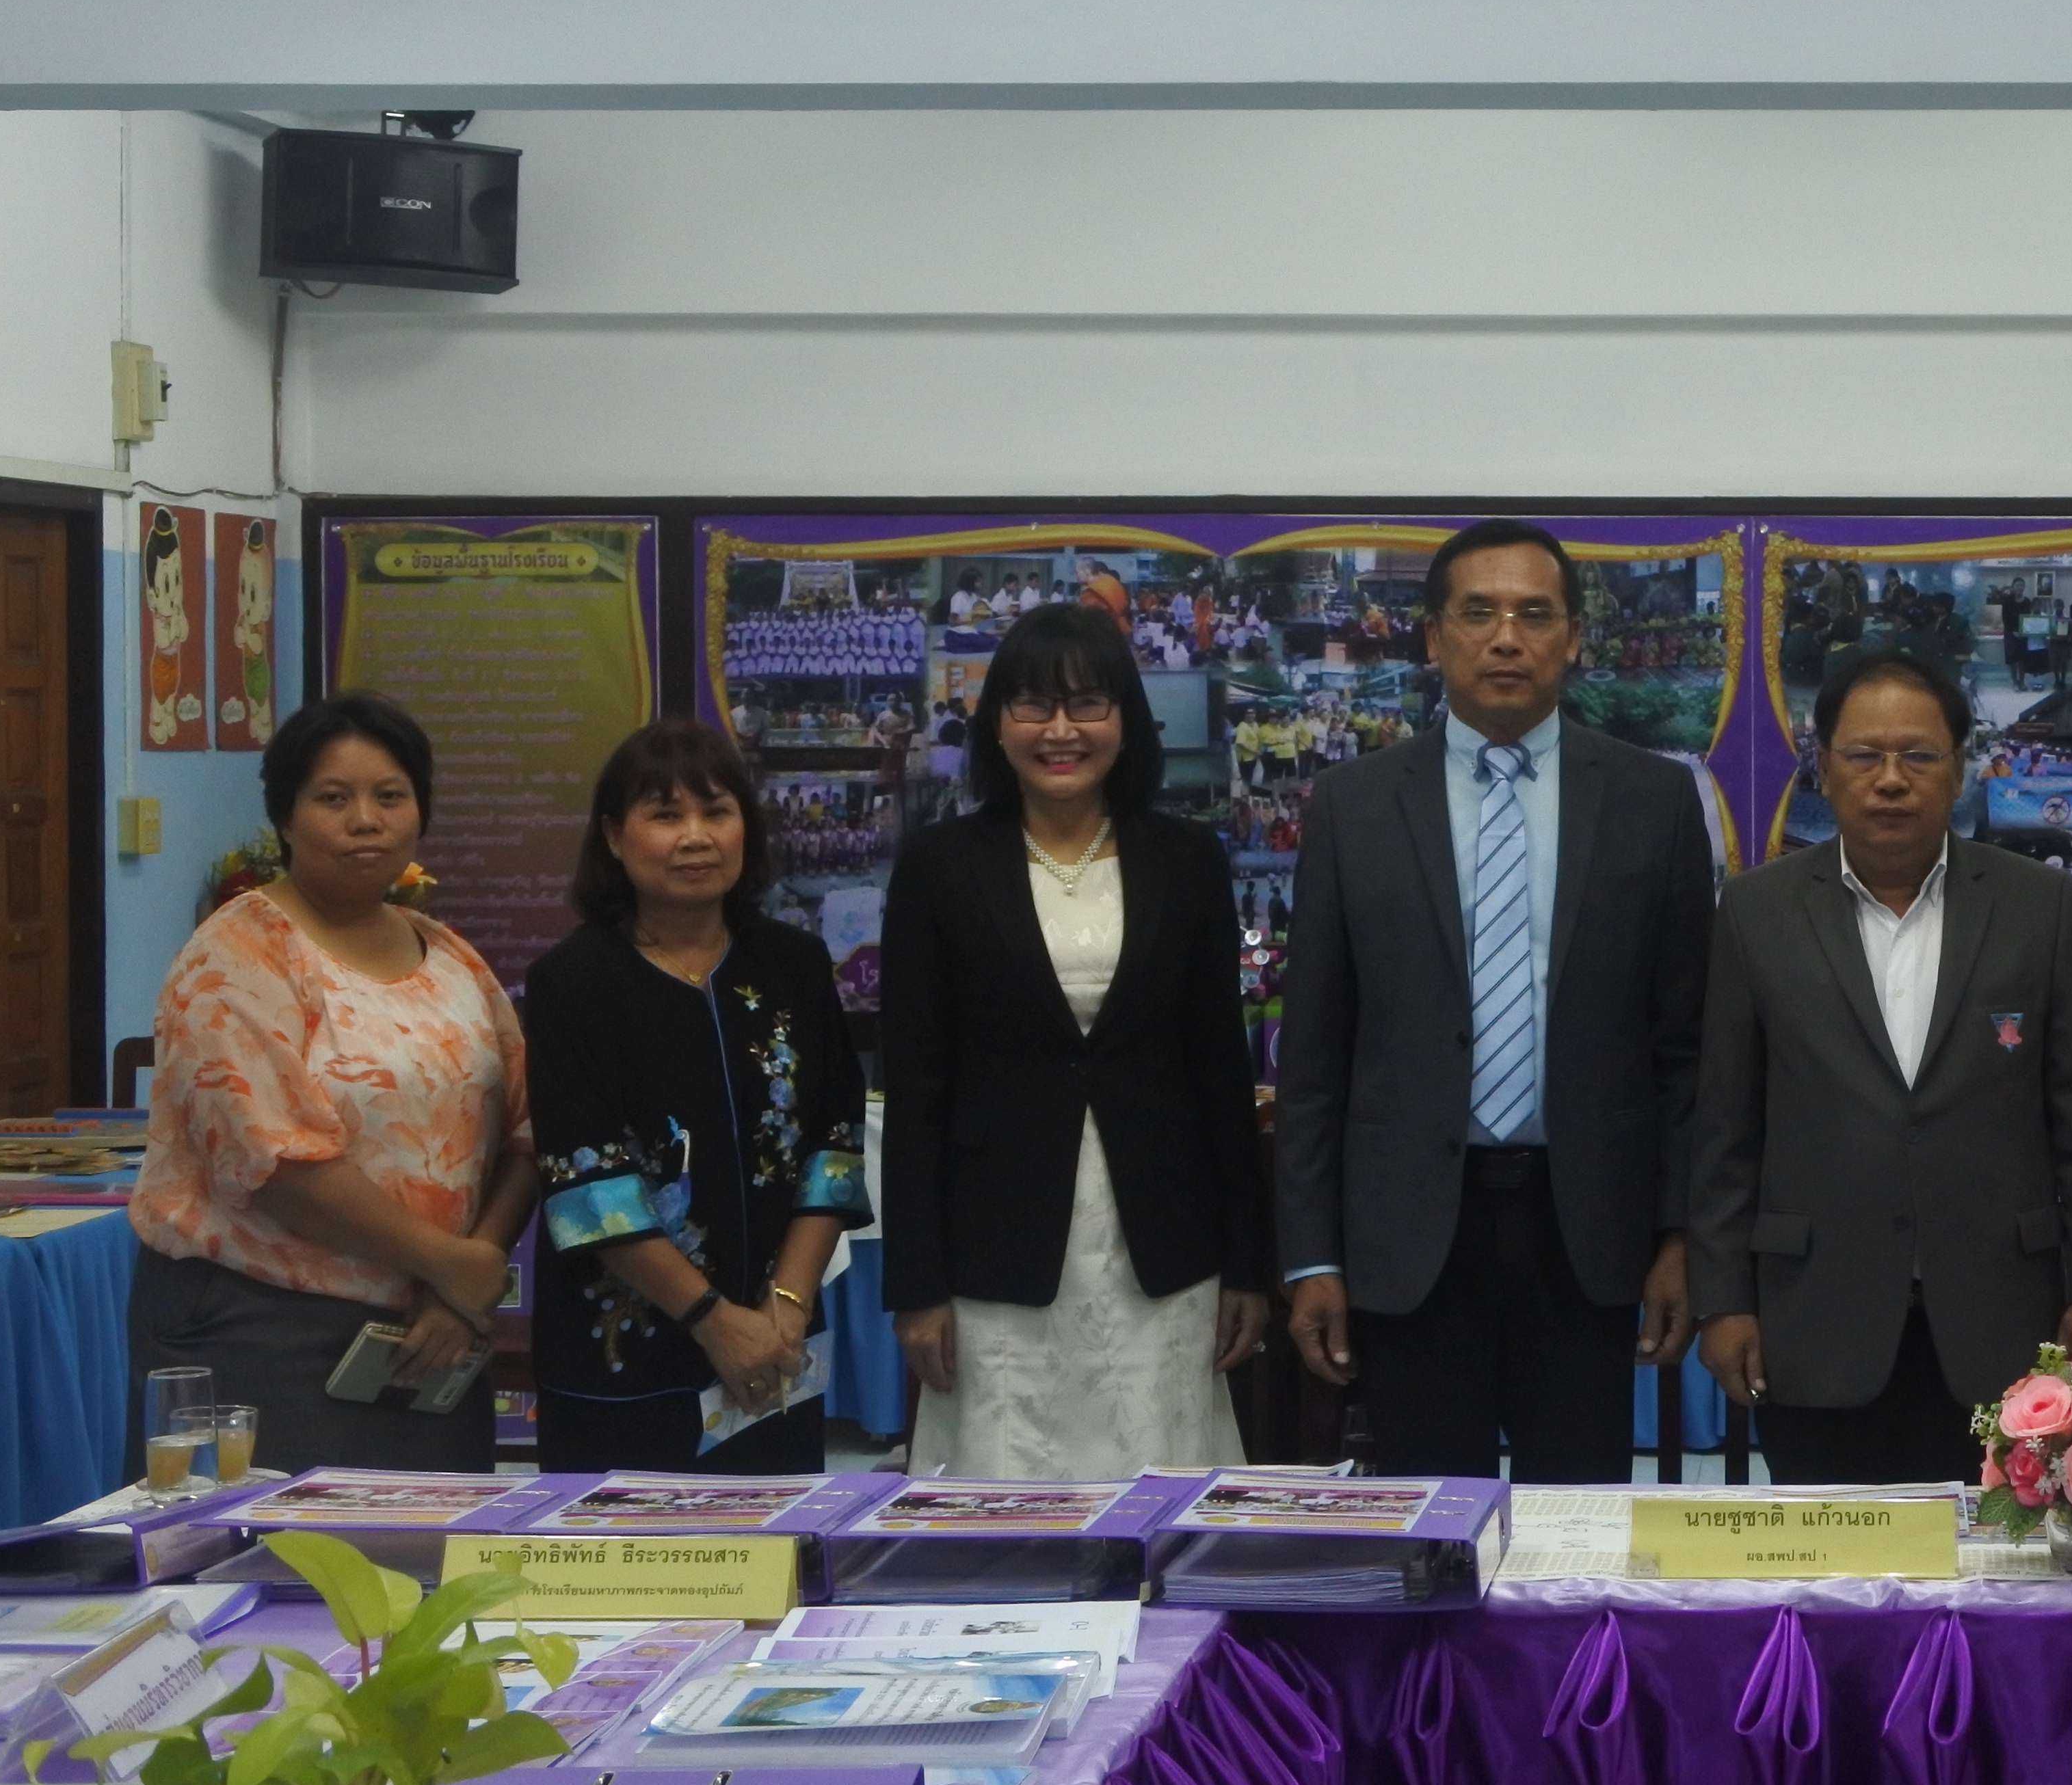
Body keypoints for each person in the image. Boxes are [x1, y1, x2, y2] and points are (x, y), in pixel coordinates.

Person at [1275, 520, 1715, 1480]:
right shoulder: (1355, 805)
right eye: (1479, 614)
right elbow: (1314, 1058)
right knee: (1428, 1530)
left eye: (1534, 615)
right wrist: (1312, 1256)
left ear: (1573, 638)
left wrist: (1679, 1236)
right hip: (1409, 1235)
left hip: (1588, 1233)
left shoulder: (1652, 802)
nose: (1507, 638)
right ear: (1434, 638)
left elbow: (1684, 1049)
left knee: (1583, 1525)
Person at [1692, 648, 2072, 1484]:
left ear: (1960, 769)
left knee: (1998, 1558)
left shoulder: (2036, 906)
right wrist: (1721, 1299)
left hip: (2005, 1324)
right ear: (1823, 766)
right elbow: (1726, 1127)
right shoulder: (1757, 912)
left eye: (1919, 755)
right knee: (1829, 1557)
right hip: (1813, 1316)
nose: (1891, 780)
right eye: (1865, 755)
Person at [883, 604, 1269, 1478]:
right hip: (996, 1249)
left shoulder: (1186, 861)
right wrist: (916, 1286)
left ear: (1125, 720)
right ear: (997, 725)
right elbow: (916, 1088)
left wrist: (1248, 1265)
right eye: (1033, 706)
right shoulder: (940, 867)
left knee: (1158, 1484)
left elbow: (1220, 1070)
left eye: (1088, 704)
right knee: (1006, 1487)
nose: (1061, 730)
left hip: (1162, 1247)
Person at [127, 694, 529, 1475]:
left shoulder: (449, 955)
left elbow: (524, 1129)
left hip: (437, 1327)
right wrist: (450, 1264)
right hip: (265, 1330)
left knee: (433, 1545)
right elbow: (277, 1164)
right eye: (334, 798)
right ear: (285, 816)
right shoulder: (236, 955)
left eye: (390, 796)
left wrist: (467, 1272)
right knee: (282, 1547)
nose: (366, 821)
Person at [525, 721, 870, 1475]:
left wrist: (786, 1307)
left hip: (776, 1352)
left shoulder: (794, 964)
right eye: (665, 815)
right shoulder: (572, 983)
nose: (695, 837)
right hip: (623, 1360)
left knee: (772, 1543)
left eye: (716, 811)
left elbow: (834, 1147)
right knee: (625, 1547)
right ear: (614, 837)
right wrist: (715, 1321)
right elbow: (588, 1188)